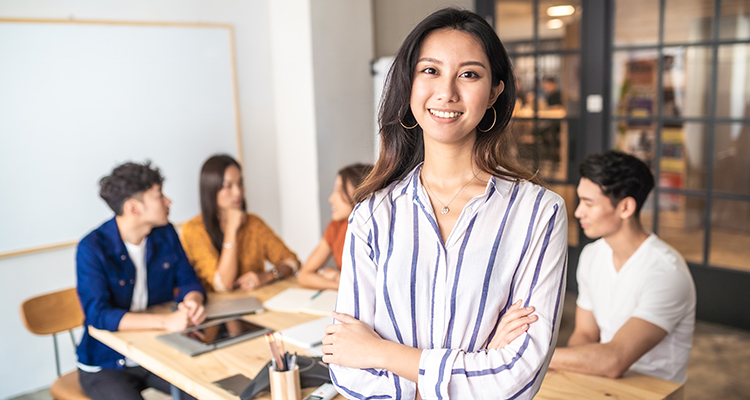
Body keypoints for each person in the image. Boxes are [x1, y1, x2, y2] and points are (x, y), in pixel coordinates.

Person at [321, 8, 568, 399]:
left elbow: (518, 376)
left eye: (469, 74)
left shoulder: (539, 212)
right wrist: (480, 360)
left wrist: (381, 352)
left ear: (495, 92)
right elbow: (348, 366)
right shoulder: (372, 214)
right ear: (408, 85)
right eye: (430, 71)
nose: (447, 92)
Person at [549, 150, 696, 384]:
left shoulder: (666, 272)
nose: (578, 212)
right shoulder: (592, 255)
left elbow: (615, 360)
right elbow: (585, 333)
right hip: (601, 380)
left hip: (652, 390)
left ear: (626, 208)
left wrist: (534, 359)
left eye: (588, 203)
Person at [76, 161, 206, 400]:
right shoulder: (92, 247)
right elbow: (98, 315)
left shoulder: (165, 235)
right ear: (133, 208)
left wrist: (192, 301)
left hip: (156, 350)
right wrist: (166, 322)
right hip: (107, 363)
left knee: (207, 392)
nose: (168, 202)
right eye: (159, 196)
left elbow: (189, 281)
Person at [181, 154, 299, 292]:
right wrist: (231, 229)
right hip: (217, 309)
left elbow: (293, 261)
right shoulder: (193, 230)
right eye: (228, 186)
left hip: (256, 303)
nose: (238, 192)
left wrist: (268, 276)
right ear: (211, 189)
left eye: (240, 184)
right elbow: (223, 285)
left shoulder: (253, 223)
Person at [297, 163, 373, 290]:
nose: (331, 199)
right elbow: (304, 276)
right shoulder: (336, 227)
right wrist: (339, 283)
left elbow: (370, 285)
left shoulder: (375, 230)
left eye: (339, 190)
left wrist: (337, 277)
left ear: (361, 192)